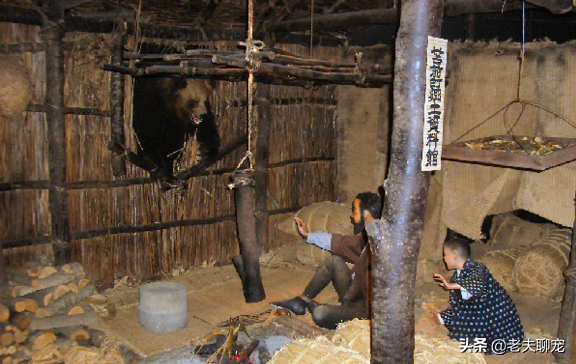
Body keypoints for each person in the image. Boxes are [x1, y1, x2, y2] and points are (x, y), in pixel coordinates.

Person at [271, 192, 382, 330]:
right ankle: (302, 301)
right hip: (354, 293)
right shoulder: (367, 239)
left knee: (320, 314)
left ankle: (314, 306)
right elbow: (338, 242)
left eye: (354, 210)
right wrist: (308, 235)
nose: (351, 215)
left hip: (364, 309)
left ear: (365, 214)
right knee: (334, 261)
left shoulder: (381, 243)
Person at [433, 238, 524, 354]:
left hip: (496, 318)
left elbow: (476, 287)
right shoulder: (457, 276)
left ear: (455, 255)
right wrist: (442, 317)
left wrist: (450, 286)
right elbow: (463, 306)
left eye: (446, 255)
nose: (444, 259)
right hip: (480, 315)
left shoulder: (477, 268)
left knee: (473, 343)